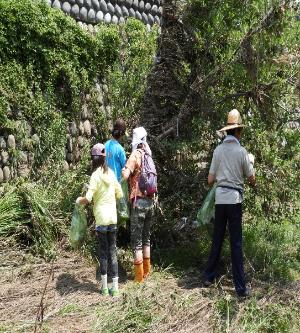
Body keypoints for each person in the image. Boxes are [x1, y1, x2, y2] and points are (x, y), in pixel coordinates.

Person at [202, 109, 256, 297]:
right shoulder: (242, 152)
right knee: (236, 243)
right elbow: (251, 179)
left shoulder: (218, 150)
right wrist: (251, 164)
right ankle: (240, 288)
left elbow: (210, 180)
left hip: (220, 200)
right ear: (239, 131)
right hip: (234, 200)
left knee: (217, 238)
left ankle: (208, 277)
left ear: (227, 131)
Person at [76, 143, 123, 296]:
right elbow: (120, 195)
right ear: (104, 158)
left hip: (102, 220)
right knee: (113, 252)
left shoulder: (95, 175)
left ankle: (103, 288)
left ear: (93, 159)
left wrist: (79, 200)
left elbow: (88, 198)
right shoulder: (111, 173)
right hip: (113, 218)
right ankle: (115, 288)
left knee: (103, 253)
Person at [122, 127, 155, 283]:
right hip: (150, 202)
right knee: (146, 238)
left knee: (136, 240)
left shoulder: (135, 155)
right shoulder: (149, 155)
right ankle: (147, 272)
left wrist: (123, 171)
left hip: (138, 202)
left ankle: (139, 278)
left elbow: (126, 175)